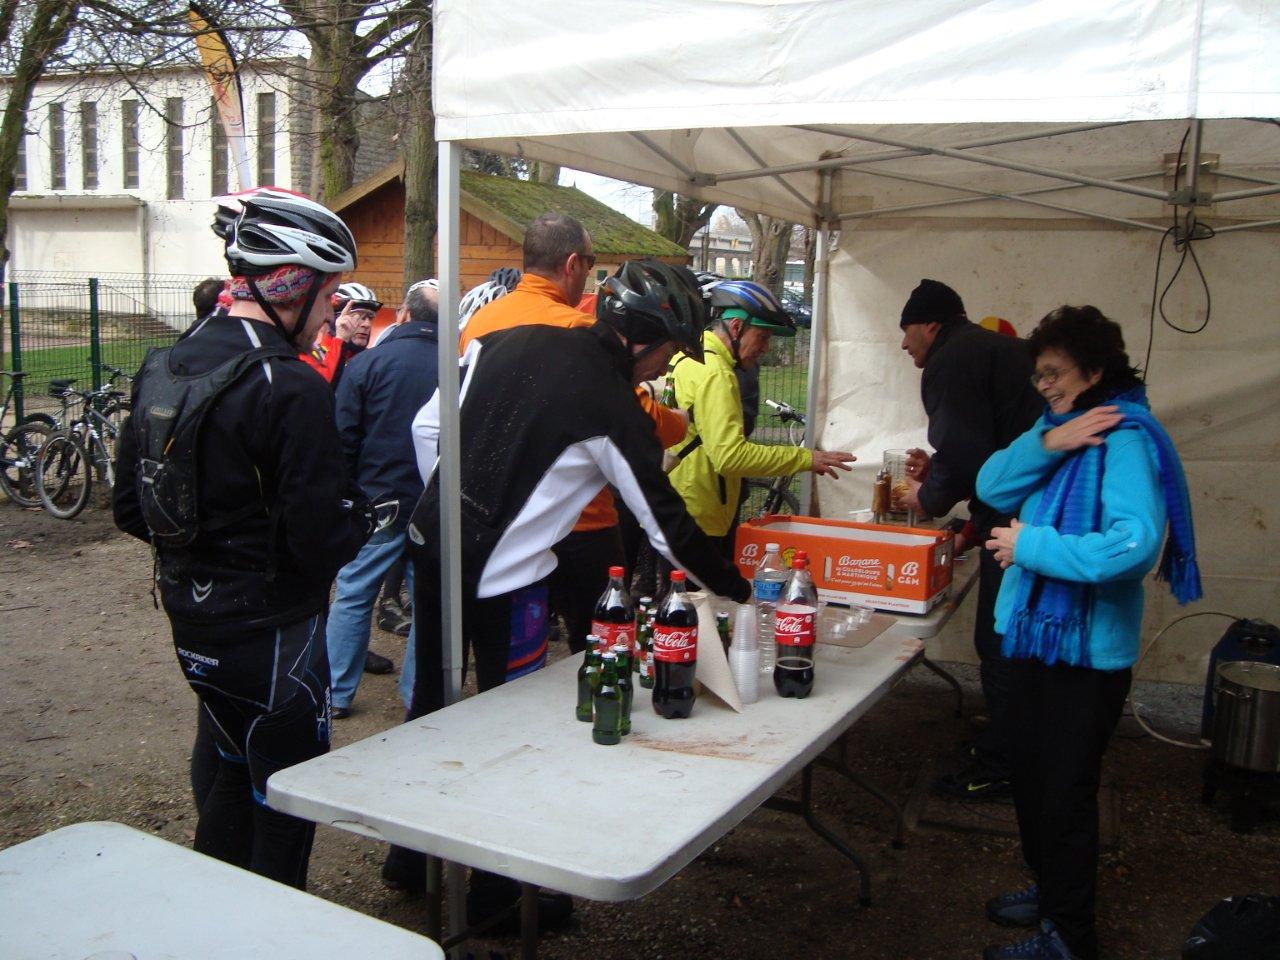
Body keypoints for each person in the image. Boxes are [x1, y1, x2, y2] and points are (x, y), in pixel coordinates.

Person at [389, 257, 751, 925]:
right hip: (508, 583)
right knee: (511, 732)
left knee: (432, 708)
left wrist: (450, 508)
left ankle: (409, 860)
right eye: (668, 351)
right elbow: (666, 527)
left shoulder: (504, 337)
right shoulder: (612, 405)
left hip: (431, 547)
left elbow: (426, 427)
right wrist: (740, 590)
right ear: (641, 340)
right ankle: (497, 896)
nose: (666, 367)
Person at [113, 187, 372, 888]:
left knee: (229, 771)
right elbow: (318, 541)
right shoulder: (290, 385)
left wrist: (204, 555)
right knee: (285, 807)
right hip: (273, 635)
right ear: (292, 285)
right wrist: (361, 519)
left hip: (193, 621)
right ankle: (268, 929)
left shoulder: (166, 362)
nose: (332, 314)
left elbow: (130, 509)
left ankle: (211, 917)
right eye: (329, 296)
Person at [975, 305, 1201, 960]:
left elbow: (1133, 547)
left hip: (1085, 655)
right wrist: (1050, 443)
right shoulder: (1060, 430)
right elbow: (991, 485)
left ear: (1095, 371)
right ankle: (1051, 892)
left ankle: (1070, 936)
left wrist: (1031, 546)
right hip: (1030, 638)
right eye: (1038, 374)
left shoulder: (1125, 439)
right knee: (1029, 777)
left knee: (1065, 793)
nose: (1043, 386)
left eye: (1054, 373)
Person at [458, 215, 688, 653]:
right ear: (571, 264)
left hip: (502, 519)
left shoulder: (479, 323)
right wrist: (680, 421)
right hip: (583, 520)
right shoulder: (578, 330)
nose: (588, 274)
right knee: (604, 644)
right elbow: (638, 419)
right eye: (591, 263)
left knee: (511, 654)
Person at [895, 278, 1042, 801]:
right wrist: (965, 520)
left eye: (908, 330)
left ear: (932, 325)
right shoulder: (991, 351)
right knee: (1012, 638)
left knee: (1000, 640)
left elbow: (965, 454)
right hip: (1030, 510)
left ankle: (1006, 764)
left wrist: (929, 497)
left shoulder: (952, 359)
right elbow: (990, 450)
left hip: (1025, 522)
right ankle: (1014, 737)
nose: (904, 343)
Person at [666, 279, 854, 556]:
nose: (765, 348)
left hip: (675, 504)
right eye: (762, 337)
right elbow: (731, 457)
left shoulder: (686, 356)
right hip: (700, 515)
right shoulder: (717, 374)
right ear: (736, 327)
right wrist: (805, 459)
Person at [326, 280, 441, 719]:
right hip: (433, 502)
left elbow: (343, 439)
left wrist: (349, 496)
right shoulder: (458, 367)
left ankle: (336, 692)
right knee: (427, 600)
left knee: (354, 593)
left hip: (378, 501)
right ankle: (417, 695)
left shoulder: (367, 364)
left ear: (404, 315)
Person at [301, 280, 380, 390]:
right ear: (336, 320)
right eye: (358, 317)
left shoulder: (373, 359)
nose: (367, 324)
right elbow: (322, 390)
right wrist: (341, 340)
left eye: (370, 318)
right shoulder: (313, 356)